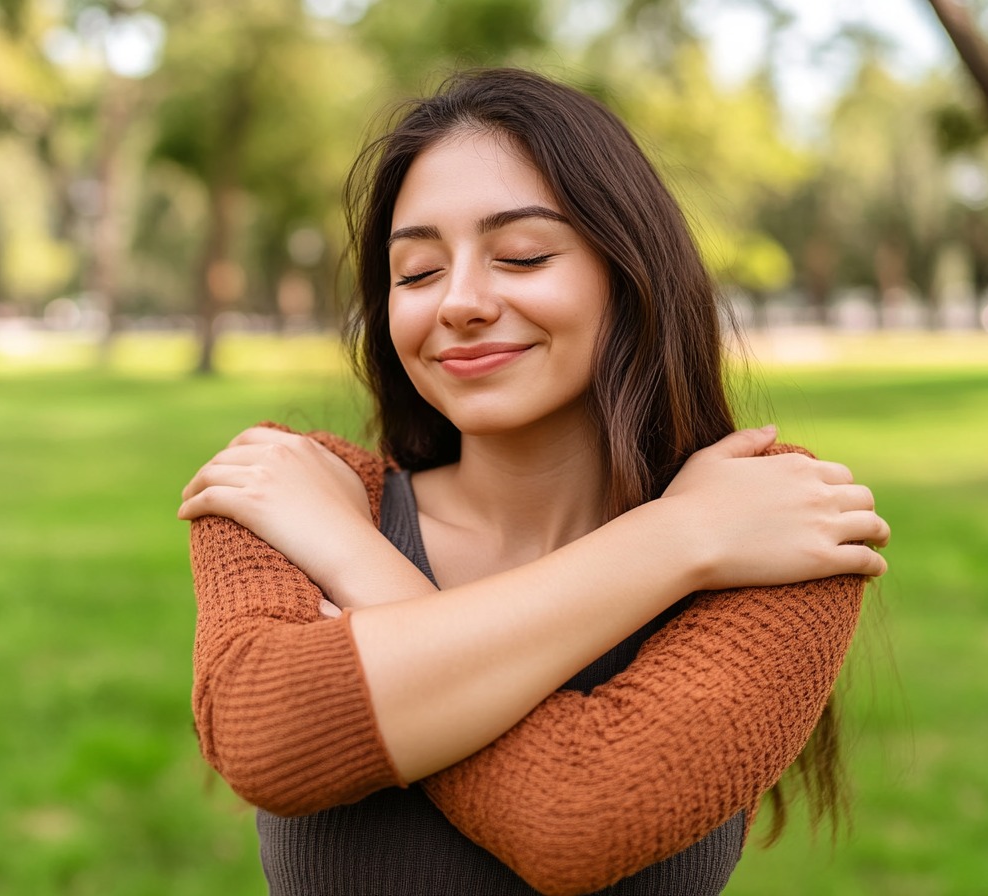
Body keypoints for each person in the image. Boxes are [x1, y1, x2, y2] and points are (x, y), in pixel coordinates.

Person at [178, 68, 890, 896]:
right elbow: (268, 732)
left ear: (629, 274)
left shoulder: (775, 524)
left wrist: (351, 561)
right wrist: (685, 539)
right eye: (416, 273)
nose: (461, 302)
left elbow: (577, 819)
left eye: (522, 255)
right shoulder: (289, 489)